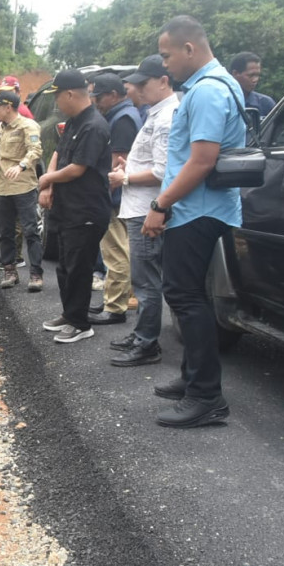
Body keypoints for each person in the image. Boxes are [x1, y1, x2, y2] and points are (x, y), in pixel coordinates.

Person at [145, 15, 246, 428]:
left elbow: (202, 161)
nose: (165, 64)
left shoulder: (206, 91)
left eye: (168, 55)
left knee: (184, 296)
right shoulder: (221, 82)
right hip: (204, 207)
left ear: (190, 49)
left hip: (196, 209)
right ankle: (193, 379)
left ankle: (206, 396)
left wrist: (162, 204)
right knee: (191, 296)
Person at [108, 55, 178, 367]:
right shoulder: (154, 113)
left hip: (145, 208)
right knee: (143, 279)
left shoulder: (165, 118)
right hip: (138, 206)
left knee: (147, 281)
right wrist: (131, 167)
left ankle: (148, 343)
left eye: (143, 83)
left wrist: (126, 176)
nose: (138, 89)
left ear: (164, 81)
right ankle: (141, 335)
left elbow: (165, 171)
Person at [37, 70, 111, 344]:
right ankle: (69, 314)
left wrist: (46, 178)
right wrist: (49, 186)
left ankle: (81, 323)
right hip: (68, 208)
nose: (57, 103)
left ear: (69, 93)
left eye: (57, 96)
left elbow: (78, 168)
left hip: (87, 211)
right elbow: (59, 153)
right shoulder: (74, 122)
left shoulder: (94, 125)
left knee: (80, 268)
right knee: (65, 265)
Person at [88, 73, 142, 326]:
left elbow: (116, 164)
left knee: (116, 251)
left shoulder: (122, 119)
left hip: (115, 197)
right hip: (118, 195)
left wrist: (100, 197)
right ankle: (112, 299)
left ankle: (116, 307)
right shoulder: (122, 115)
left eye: (98, 97)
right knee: (115, 249)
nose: (96, 102)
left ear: (112, 95)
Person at [0, 89, 44, 291]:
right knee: (6, 231)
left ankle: (35, 274)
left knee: (30, 230)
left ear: (8, 107)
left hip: (23, 185)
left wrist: (21, 166)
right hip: (2, 186)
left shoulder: (28, 126)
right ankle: (10, 271)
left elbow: (35, 150)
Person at [228, 52, 276, 118]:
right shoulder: (223, 102)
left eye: (257, 75)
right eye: (251, 75)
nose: (255, 80)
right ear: (235, 73)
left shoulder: (265, 104)